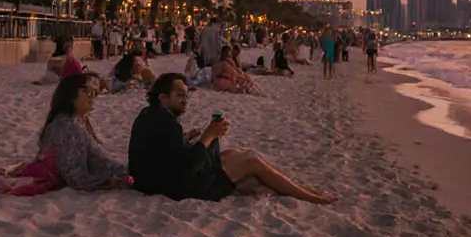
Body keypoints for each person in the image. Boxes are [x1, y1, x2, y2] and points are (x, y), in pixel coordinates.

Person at [128, 73, 336, 204]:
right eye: (180, 95)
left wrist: (185, 138)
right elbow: (185, 168)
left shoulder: (148, 115)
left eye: (186, 95)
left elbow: (161, 153)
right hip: (176, 189)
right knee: (251, 161)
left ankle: (294, 187)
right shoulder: (167, 122)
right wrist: (208, 136)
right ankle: (310, 197)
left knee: (233, 154)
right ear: (163, 97)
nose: (185, 101)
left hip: (154, 183)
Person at [0, 73, 131, 194]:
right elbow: (77, 179)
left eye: (95, 93)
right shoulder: (67, 128)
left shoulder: (73, 123)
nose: (93, 97)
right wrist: (111, 182)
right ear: (71, 95)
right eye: (88, 91)